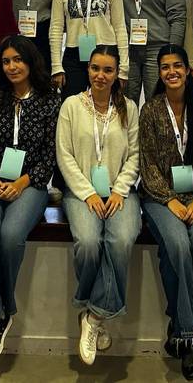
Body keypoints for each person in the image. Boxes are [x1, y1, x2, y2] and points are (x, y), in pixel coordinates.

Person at [0, 35, 61, 364]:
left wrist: (22, 182)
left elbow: (50, 154)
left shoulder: (50, 100)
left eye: (18, 60)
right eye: (6, 61)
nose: (12, 66)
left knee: (9, 238)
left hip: (30, 185)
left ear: (30, 61)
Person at [139, 44, 193, 381]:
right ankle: (189, 337)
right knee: (176, 245)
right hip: (161, 199)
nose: (171, 72)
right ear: (159, 74)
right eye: (164, 67)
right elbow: (147, 164)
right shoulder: (151, 111)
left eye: (177, 66)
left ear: (189, 70)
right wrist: (170, 199)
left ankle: (178, 318)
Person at [56, 45, 140, 366]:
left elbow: (134, 155)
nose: (100, 76)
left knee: (119, 240)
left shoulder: (128, 108)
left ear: (117, 73)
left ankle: (91, 315)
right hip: (81, 193)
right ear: (88, 70)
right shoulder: (71, 106)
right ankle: (99, 311)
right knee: (89, 242)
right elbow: (64, 154)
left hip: (121, 193)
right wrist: (88, 192)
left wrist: (119, 190)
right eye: (95, 68)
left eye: (107, 70)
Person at [50, 0, 129, 99]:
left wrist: (124, 69)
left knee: (105, 105)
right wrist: (56, 66)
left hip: (106, 51)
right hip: (74, 54)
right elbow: (56, 28)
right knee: (72, 105)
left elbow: (120, 28)